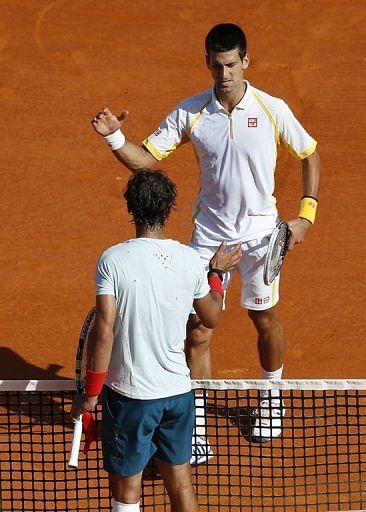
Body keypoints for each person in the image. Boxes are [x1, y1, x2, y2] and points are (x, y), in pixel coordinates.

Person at [90, 23, 320, 445]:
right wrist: (114, 137)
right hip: (209, 237)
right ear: (207, 64)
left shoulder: (272, 108)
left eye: (231, 64)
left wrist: (306, 214)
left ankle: (271, 401)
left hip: (261, 237)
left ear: (245, 61)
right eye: (217, 65)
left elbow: (309, 152)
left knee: (263, 318)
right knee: (197, 327)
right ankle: (193, 425)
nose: (225, 74)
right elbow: (144, 158)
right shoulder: (191, 112)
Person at [71, 170, 241, 512]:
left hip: (132, 398)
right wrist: (216, 274)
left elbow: (104, 332)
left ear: (131, 207)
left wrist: (90, 395)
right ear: (169, 209)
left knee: (127, 492)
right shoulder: (190, 260)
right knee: (181, 486)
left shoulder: (113, 260)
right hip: (178, 394)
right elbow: (211, 316)